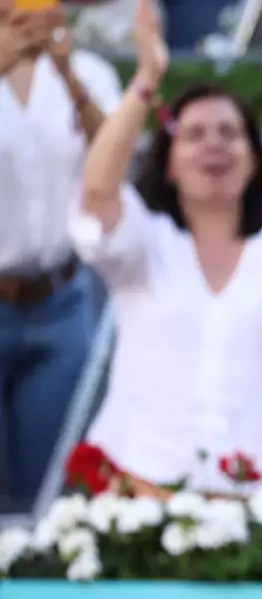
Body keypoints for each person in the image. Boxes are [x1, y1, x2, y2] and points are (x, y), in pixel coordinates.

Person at [67, 0, 262, 495]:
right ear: (169, 163)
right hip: (137, 496)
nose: (214, 146)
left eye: (230, 134)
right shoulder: (147, 243)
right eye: (195, 135)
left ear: (254, 162)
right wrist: (146, 80)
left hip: (254, 508)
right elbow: (97, 195)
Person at [0, 1, 121, 506]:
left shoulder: (90, 72)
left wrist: (68, 74)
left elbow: (114, 162)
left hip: (60, 299)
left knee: (48, 490)